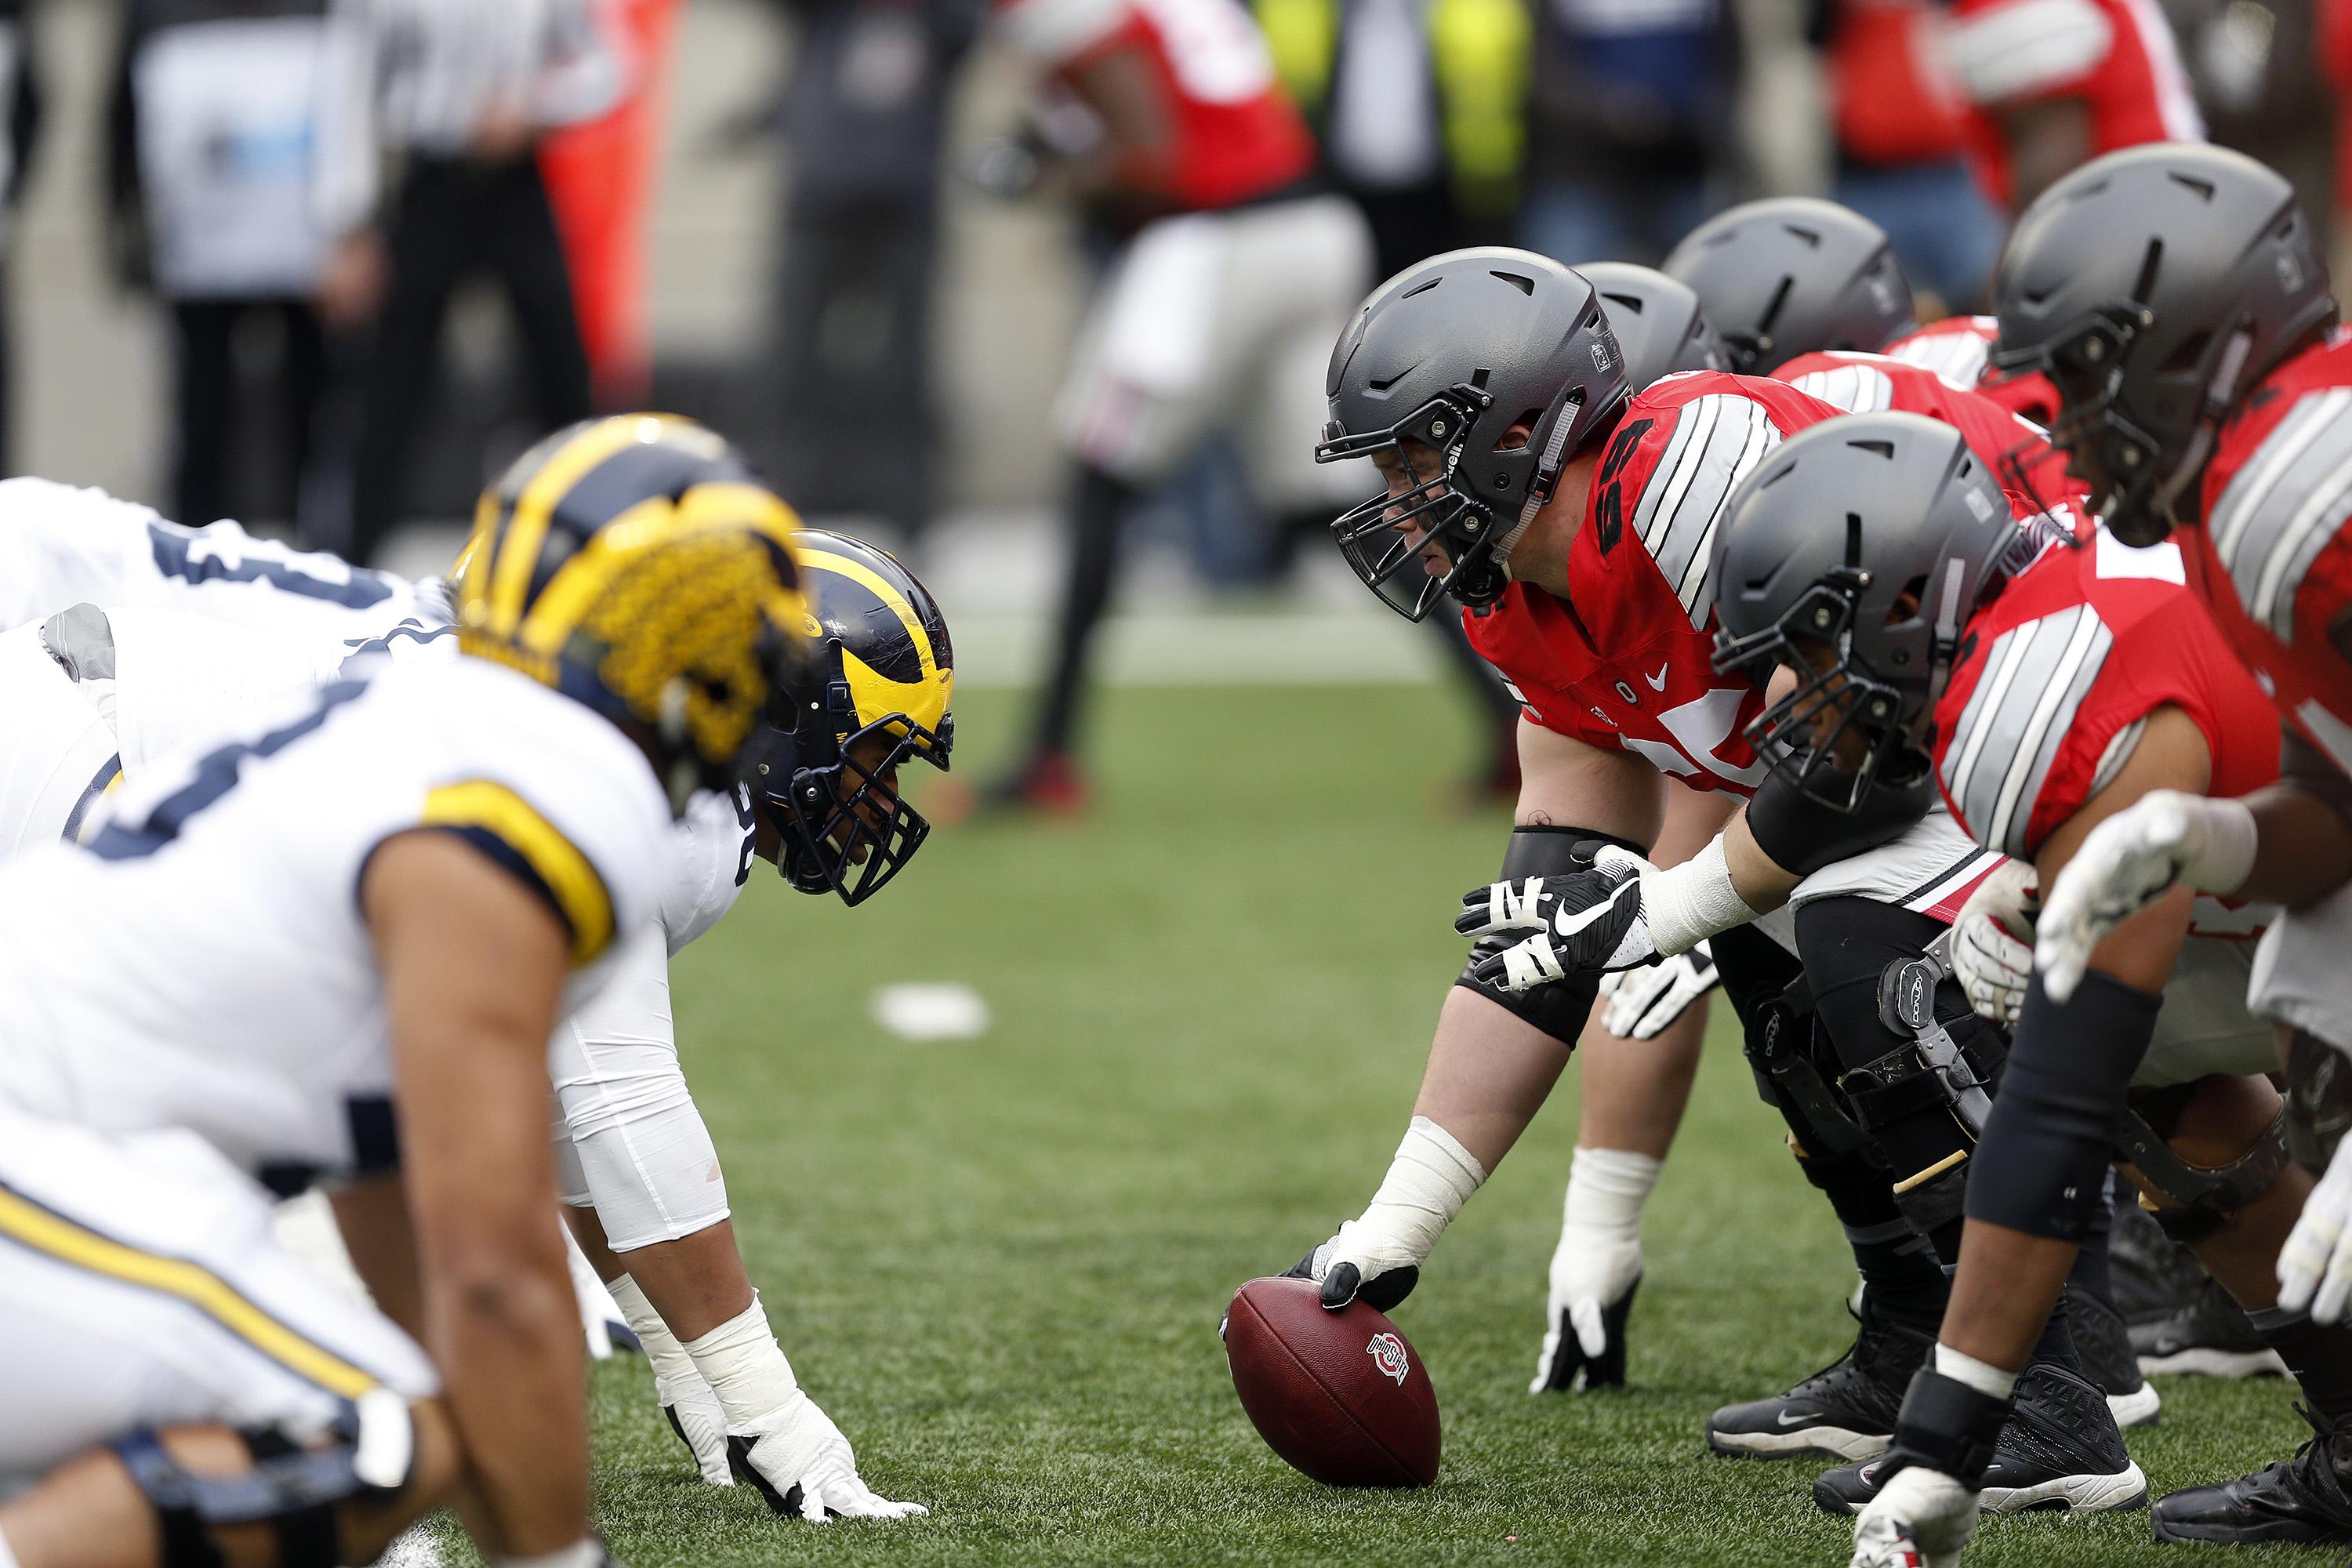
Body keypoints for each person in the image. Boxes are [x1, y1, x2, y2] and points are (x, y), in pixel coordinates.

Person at [1277, 248, 2140, 1511]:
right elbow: (1542, 937)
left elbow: (1859, 770)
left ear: (1520, 432)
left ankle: (2052, 1387)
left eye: (1414, 460)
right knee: (1760, 946)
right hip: (1955, 753)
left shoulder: (1693, 478)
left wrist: (1669, 910)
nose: (1394, 500)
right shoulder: (1517, 596)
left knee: (1850, 928)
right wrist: (1395, 1226)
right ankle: (1916, 1331)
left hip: (2083, 701)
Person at [0, 424, 949, 1521]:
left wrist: (683, 1355)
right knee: (338, 1413)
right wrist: (764, 1402)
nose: (882, 797)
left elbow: (557, 1100)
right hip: (67, 755)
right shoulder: (602, 783)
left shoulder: (536, 730)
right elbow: (616, 1104)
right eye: (876, 752)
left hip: (78, 729)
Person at [1650, 411, 2328, 1559]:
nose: (1785, 696)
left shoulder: (2041, 694)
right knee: (2130, 1059)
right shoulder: (2014, 630)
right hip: (2298, 871)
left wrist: (1947, 1433)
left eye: (1811, 646)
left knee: (2063, 1045)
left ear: (1908, 606)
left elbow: (2054, 1106)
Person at [1916, 140, 2352, 1555]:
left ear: (2199, 351)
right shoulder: (2236, 499)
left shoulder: (2304, 490)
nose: (2070, 423)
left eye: (2093, 376)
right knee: (2225, 1021)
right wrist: (2203, 841)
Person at [982, 0, 1372, 811]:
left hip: (1217, 243)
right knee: (1341, 508)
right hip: (1314, 228)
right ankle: (1512, 727)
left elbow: (1151, 160)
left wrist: (1044, 178)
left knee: (1099, 478)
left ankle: (1050, 757)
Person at [316, 0, 622, 563]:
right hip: (432, 182)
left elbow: (608, 65)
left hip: (518, 184)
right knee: (394, 383)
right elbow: (348, 85)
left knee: (562, 372)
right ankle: (353, 558)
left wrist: (531, 106)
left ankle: (598, 547)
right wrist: (348, 222)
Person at [106, 0, 348, 532]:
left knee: (311, 403)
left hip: (304, 250)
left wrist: (354, 229)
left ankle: (313, 540)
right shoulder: (157, 14)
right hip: (198, 252)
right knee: (203, 406)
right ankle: (192, 544)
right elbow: (121, 117)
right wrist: (126, 226)